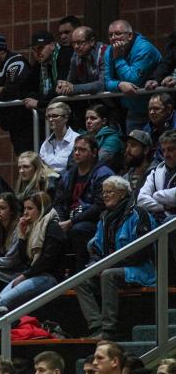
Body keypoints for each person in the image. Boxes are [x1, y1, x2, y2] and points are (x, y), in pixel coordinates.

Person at [76, 176, 156, 339]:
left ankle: (108, 329)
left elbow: (143, 250)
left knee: (108, 275)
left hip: (139, 269)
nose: (104, 195)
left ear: (121, 193)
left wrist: (108, 265)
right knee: (80, 279)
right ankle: (96, 326)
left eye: (109, 192)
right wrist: (95, 265)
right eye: (103, 192)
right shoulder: (105, 218)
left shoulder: (139, 214)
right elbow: (97, 248)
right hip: (110, 266)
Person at [0, 191, 65, 318]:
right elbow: (25, 260)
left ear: (41, 209)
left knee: (0, 304)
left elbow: (46, 261)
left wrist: (24, 276)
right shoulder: (32, 228)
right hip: (33, 275)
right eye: (24, 208)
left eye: (30, 208)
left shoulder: (52, 227)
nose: (25, 212)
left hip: (49, 277)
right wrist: (22, 237)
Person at [52, 134, 115, 271]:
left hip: (95, 222)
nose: (77, 153)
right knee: (51, 229)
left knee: (79, 229)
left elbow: (100, 206)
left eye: (82, 149)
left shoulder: (103, 174)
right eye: (75, 149)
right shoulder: (69, 175)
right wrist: (61, 221)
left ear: (94, 152)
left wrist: (70, 222)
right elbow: (59, 203)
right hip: (71, 220)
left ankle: (81, 273)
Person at [0, 32, 35, 154]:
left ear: (2, 51)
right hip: (9, 120)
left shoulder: (16, 61)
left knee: (28, 155)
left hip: (26, 118)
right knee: (20, 154)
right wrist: (1, 89)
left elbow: (14, 91)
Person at [104, 19, 163, 131]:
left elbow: (133, 80)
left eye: (118, 34)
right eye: (110, 35)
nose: (113, 38)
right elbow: (107, 81)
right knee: (133, 146)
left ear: (130, 35)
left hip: (156, 109)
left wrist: (119, 58)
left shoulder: (144, 48)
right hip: (133, 110)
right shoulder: (109, 51)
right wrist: (119, 85)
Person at [137, 129, 176, 223]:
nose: (166, 154)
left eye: (171, 149)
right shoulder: (155, 172)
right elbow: (141, 200)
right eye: (163, 150)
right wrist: (163, 206)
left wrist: (156, 195)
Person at [40, 102, 80, 175]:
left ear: (66, 118)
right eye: (48, 116)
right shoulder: (45, 144)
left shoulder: (77, 140)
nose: (51, 119)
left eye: (55, 116)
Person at [84, 104, 124, 169]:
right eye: (86, 118)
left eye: (93, 118)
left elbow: (102, 160)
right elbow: (72, 160)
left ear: (104, 121)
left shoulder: (113, 138)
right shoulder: (83, 137)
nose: (88, 121)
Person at [142, 93, 176, 166]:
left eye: (156, 109)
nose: (151, 112)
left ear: (168, 109)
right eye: (149, 109)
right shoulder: (147, 128)